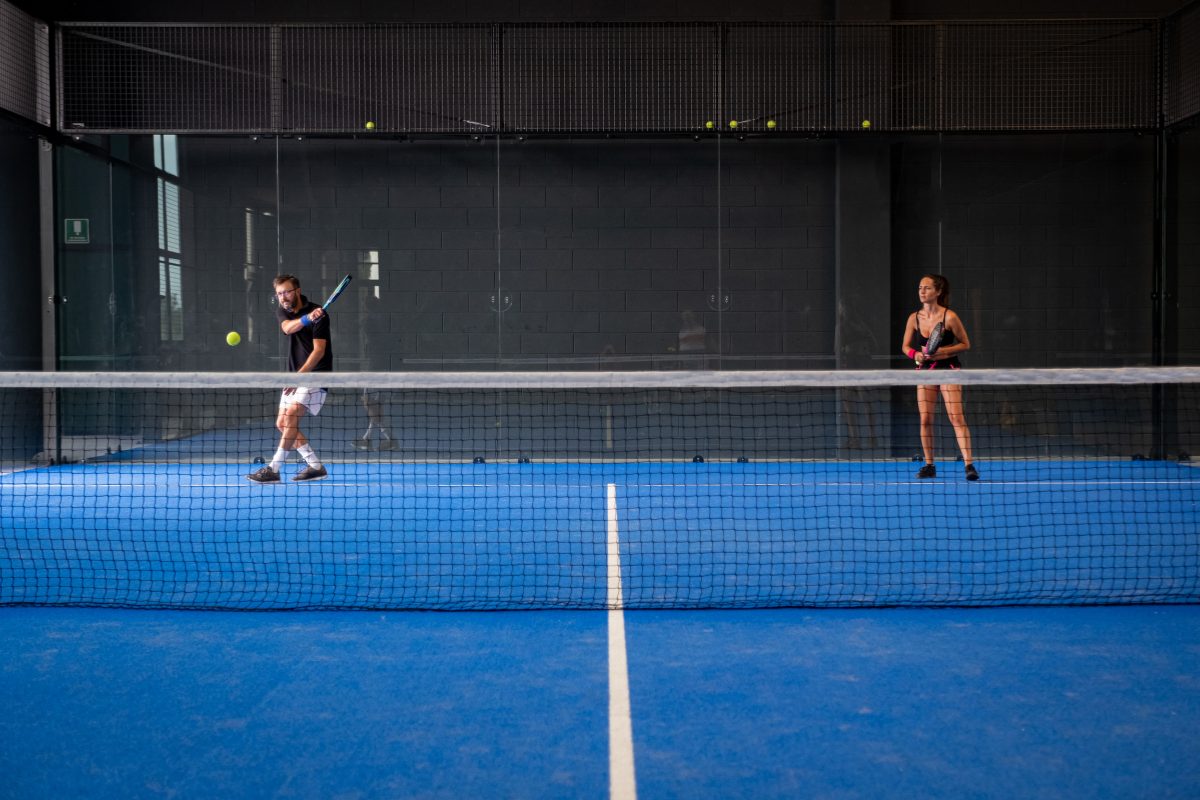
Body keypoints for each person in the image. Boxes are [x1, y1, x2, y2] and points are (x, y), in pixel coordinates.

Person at [247, 274, 333, 483]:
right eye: (279, 293)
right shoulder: (282, 312)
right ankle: (315, 466)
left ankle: (273, 469)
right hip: (294, 374)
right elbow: (287, 328)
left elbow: (319, 351)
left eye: (286, 292)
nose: (283, 297)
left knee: (292, 414)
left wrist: (299, 376)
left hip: (315, 374)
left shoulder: (320, 313)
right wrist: (307, 318)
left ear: (297, 290)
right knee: (282, 423)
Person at [900, 274, 979, 481]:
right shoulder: (914, 318)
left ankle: (969, 465)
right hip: (925, 372)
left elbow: (965, 344)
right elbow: (905, 346)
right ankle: (929, 465)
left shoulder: (949, 317)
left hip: (948, 370)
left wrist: (942, 351)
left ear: (938, 291)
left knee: (956, 418)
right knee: (925, 419)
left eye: (926, 288)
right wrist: (915, 355)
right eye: (920, 288)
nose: (922, 291)